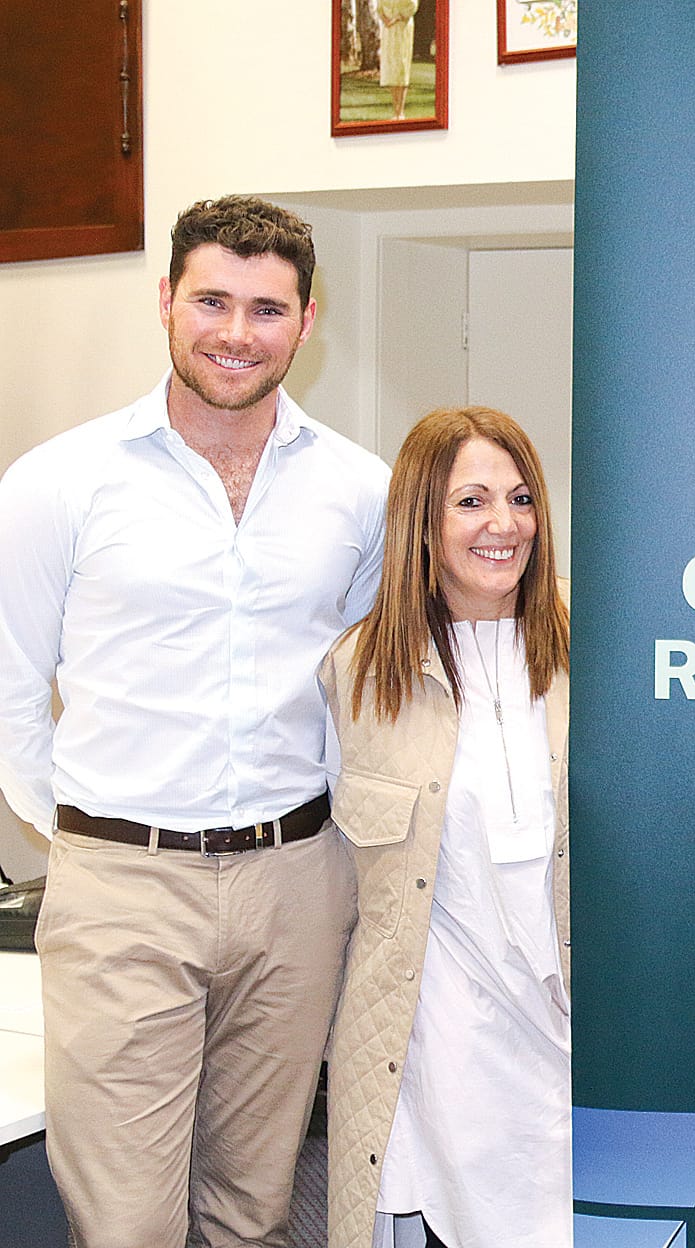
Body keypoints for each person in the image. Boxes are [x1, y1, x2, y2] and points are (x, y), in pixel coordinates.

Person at [0, 196, 389, 1247]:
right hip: (122, 888)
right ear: (165, 301)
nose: (235, 332)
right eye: (211, 300)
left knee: (252, 1208)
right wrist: (92, 832)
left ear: (307, 324)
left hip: (296, 886)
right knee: (125, 1223)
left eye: (266, 309)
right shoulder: (57, 484)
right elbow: (9, 691)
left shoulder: (362, 493)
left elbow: (370, 686)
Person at [320, 406, 572, 1248]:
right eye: (471, 501)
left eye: (522, 497)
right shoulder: (360, 675)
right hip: (444, 1054)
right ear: (421, 522)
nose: (505, 524)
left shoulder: (601, 650)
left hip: (575, 1043)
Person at [377, 0, 419, 119]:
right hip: (388, 29)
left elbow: (412, 5)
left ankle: (400, 111)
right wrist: (385, 19)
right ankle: (395, 110)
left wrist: (397, 18)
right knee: (391, 67)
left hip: (402, 28)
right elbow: (379, 7)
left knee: (401, 67)